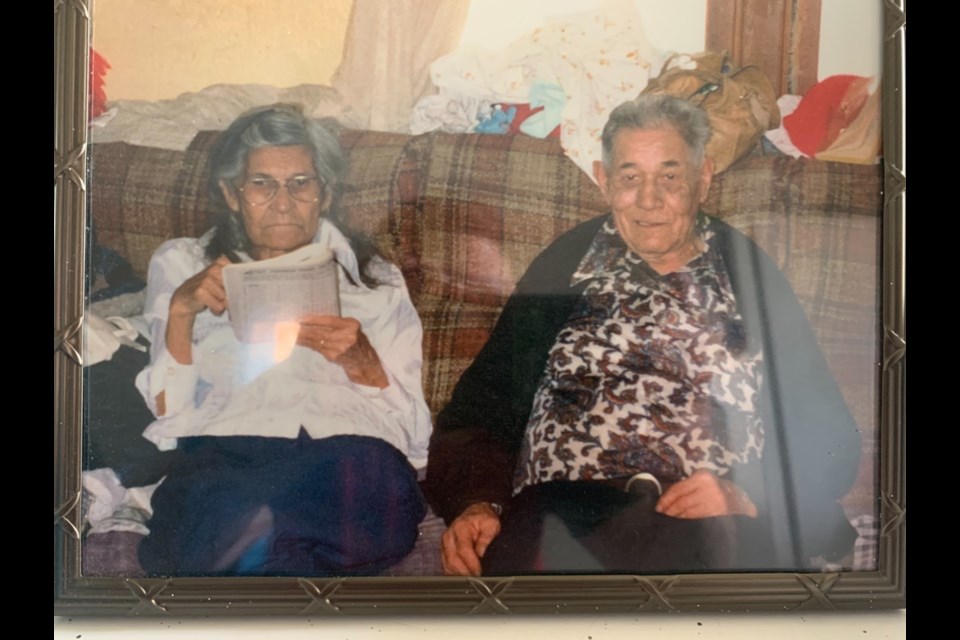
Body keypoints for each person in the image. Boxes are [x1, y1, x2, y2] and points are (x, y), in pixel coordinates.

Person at [426, 95, 861, 576]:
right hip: (564, 512)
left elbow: (828, 434)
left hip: (709, 516)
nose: (649, 199)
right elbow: (484, 399)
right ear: (604, 180)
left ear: (704, 179)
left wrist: (751, 489)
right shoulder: (566, 263)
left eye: (670, 177)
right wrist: (477, 502)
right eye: (631, 178)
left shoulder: (746, 272)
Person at [134, 104, 431, 576]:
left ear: (325, 193)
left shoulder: (376, 280)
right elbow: (168, 414)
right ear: (232, 195)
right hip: (230, 452)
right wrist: (181, 312)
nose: (283, 202)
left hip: (349, 452)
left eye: (301, 183)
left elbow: (417, 438)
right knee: (229, 516)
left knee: (253, 535)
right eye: (261, 184)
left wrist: (364, 363)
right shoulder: (181, 264)